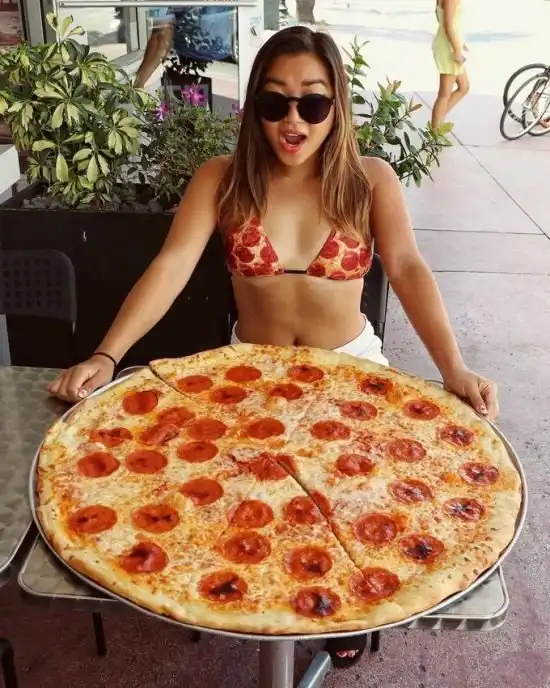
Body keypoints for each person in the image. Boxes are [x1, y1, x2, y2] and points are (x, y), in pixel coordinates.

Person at [47, 26, 498, 667]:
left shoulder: (369, 180)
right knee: (236, 517)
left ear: (337, 105)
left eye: (312, 102)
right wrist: (106, 355)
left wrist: (454, 367)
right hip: (243, 380)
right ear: (253, 103)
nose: (293, 121)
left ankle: (344, 605)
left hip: (352, 376)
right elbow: (171, 266)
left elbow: (407, 267)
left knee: (350, 509)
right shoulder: (222, 179)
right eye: (274, 102)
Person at [431, 0, 470, 130]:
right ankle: (435, 131)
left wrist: (460, 43)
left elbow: (443, 19)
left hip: (448, 43)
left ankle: (438, 122)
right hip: (449, 48)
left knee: (464, 86)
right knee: (444, 94)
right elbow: (448, 25)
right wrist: (457, 50)